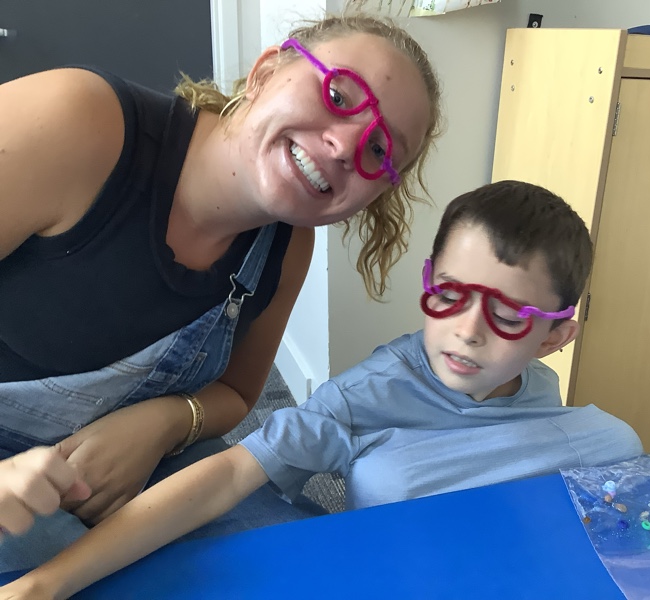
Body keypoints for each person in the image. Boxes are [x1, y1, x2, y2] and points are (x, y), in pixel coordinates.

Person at [0, 180, 643, 599]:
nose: (468, 332)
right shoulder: (371, 393)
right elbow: (228, 476)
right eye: (448, 295)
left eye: (507, 315)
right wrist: (46, 586)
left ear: (556, 338)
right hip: (400, 571)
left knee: (621, 442)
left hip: (518, 566)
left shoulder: (559, 412)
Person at [0, 14, 443, 573]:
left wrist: (163, 422)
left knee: (307, 567)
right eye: (336, 93)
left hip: (133, 474)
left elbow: (236, 392)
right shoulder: (75, 118)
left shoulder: (286, 248)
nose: (342, 144)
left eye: (380, 150)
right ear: (264, 72)